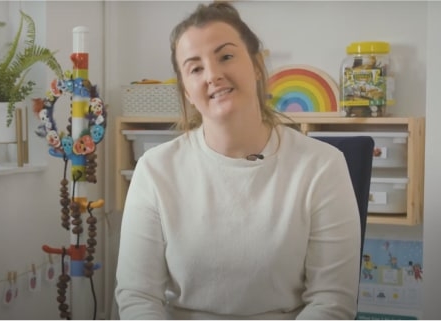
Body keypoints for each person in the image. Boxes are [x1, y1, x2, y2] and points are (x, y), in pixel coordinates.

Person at [114, 2, 361, 319]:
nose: (213, 75)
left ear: (257, 66)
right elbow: (137, 297)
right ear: (187, 92)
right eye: (196, 68)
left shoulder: (323, 165)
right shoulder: (154, 170)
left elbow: (332, 302)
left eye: (226, 56)